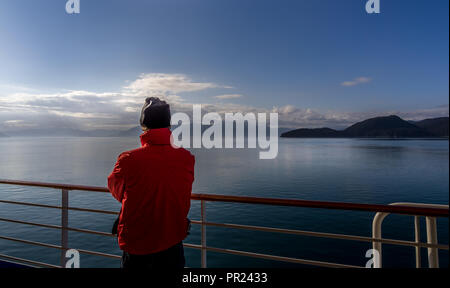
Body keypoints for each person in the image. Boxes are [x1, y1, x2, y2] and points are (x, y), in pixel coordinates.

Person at [108, 97, 195, 268]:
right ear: (169, 125)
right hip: (173, 242)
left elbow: (117, 190)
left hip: (138, 247)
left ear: (143, 124)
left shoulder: (127, 160)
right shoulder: (186, 158)